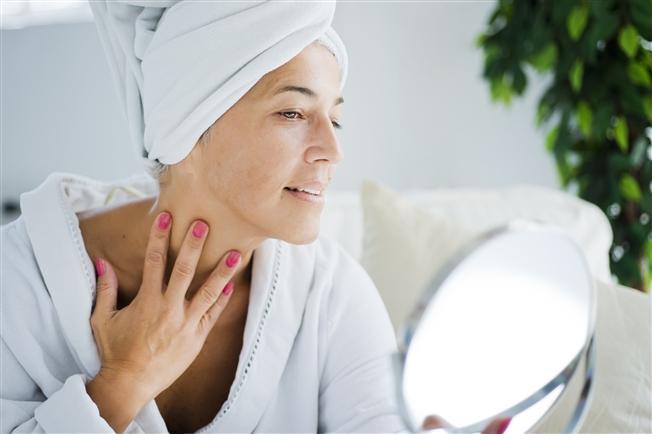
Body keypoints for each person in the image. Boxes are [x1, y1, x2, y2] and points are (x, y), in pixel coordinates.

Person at [1, 1, 509, 433]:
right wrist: (120, 384)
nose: (333, 150)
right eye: (293, 113)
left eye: (335, 118)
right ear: (190, 122)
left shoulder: (330, 296)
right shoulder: (19, 282)